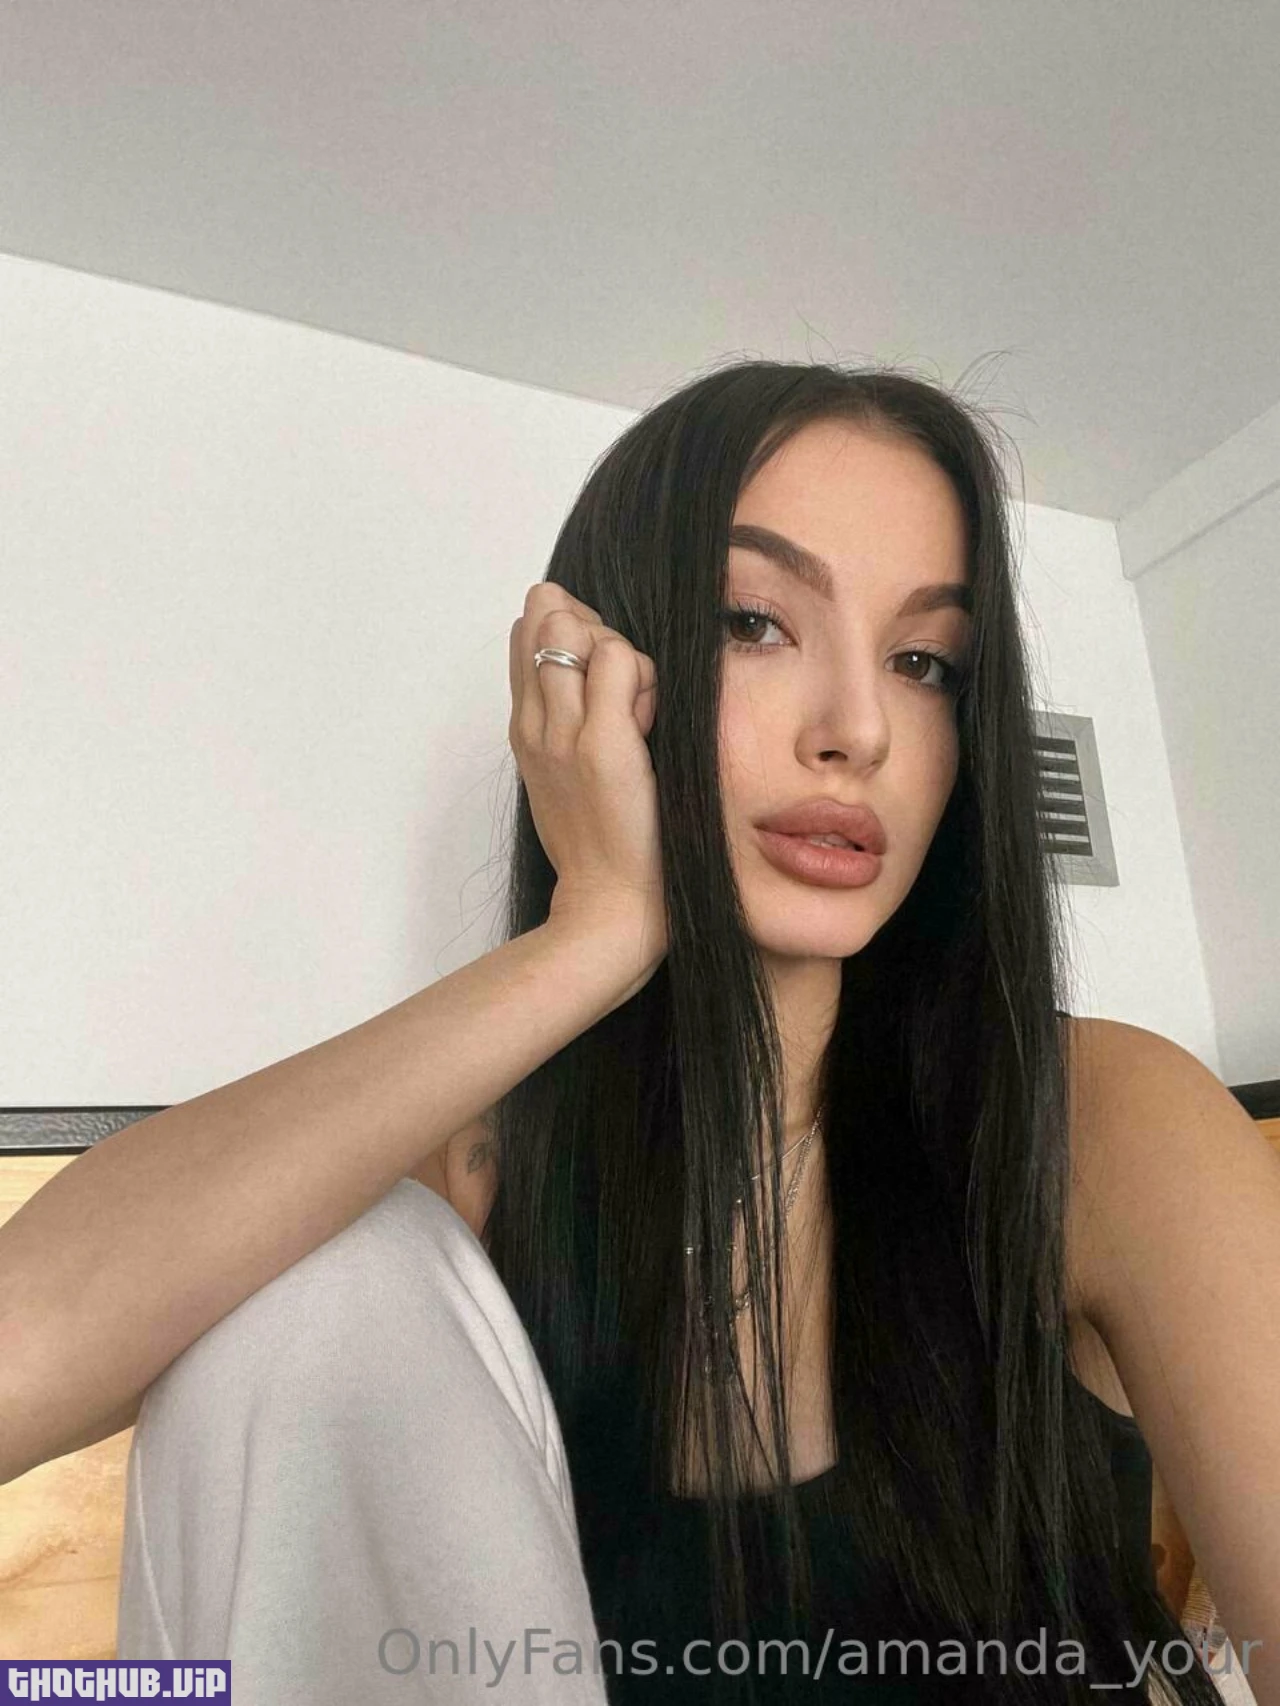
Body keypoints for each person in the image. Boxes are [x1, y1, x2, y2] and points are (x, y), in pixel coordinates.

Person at [0, 361, 1264, 1706]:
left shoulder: (1099, 1122)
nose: (858, 730)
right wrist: (594, 932)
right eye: (754, 622)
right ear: (605, 686)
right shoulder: (476, 1182)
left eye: (923, 663)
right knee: (320, 1271)